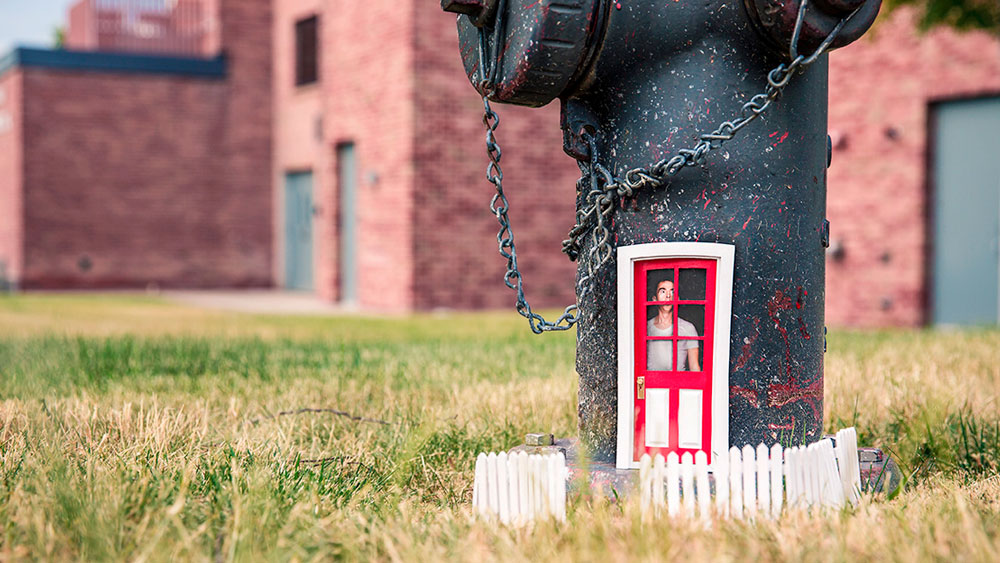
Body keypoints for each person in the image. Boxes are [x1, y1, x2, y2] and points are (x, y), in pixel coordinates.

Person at [647, 278, 701, 371]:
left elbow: (694, 368)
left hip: (677, 384)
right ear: (654, 299)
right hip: (650, 384)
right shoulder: (646, 327)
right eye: (663, 291)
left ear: (678, 298)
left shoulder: (688, 328)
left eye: (672, 292)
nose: (668, 296)